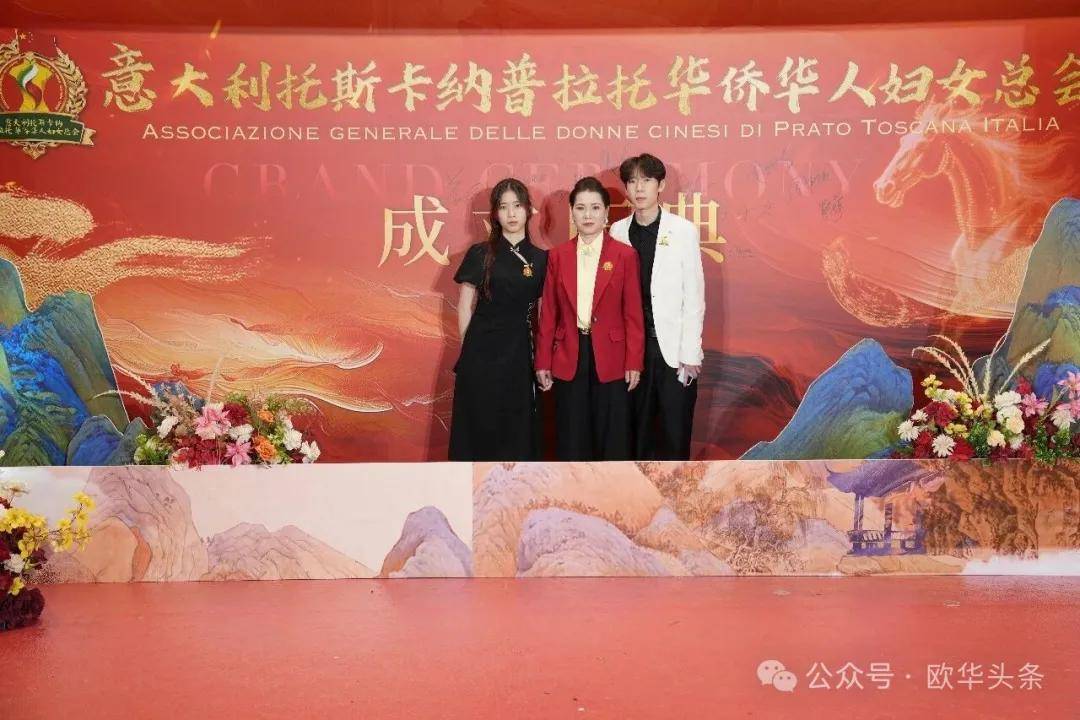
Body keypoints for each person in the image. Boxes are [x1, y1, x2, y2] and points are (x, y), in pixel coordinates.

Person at [535, 176, 644, 461]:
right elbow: (549, 313)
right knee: (572, 436)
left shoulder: (624, 255)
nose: (588, 215)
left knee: (613, 438)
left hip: (612, 356)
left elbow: (633, 313)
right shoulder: (557, 256)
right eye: (581, 208)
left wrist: (634, 361)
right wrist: (543, 360)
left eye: (595, 208)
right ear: (572, 212)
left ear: (606, 213)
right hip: (569, 353)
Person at [609, 153, 705, 460]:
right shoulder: (617, 232)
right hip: (631, 352)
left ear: (661, 185)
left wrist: (690, 353)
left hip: (673, 352)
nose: (639, 188)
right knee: (636, 436)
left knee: (674, 435)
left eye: (647, 180)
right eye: (632, 181)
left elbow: (694, 296)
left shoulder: (683, 230)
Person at [448, 178, 547, 461]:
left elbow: (544, 312)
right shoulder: (481, 253)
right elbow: (464, 306)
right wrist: (469, 349)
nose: (511, 214)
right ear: (495, 213)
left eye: (517, 206)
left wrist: (542, 356)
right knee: (478, 421)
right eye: (503, 207)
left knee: (516, 424)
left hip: (519, 351)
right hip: (480, 351)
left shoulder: (541, 259)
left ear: (529, 210)